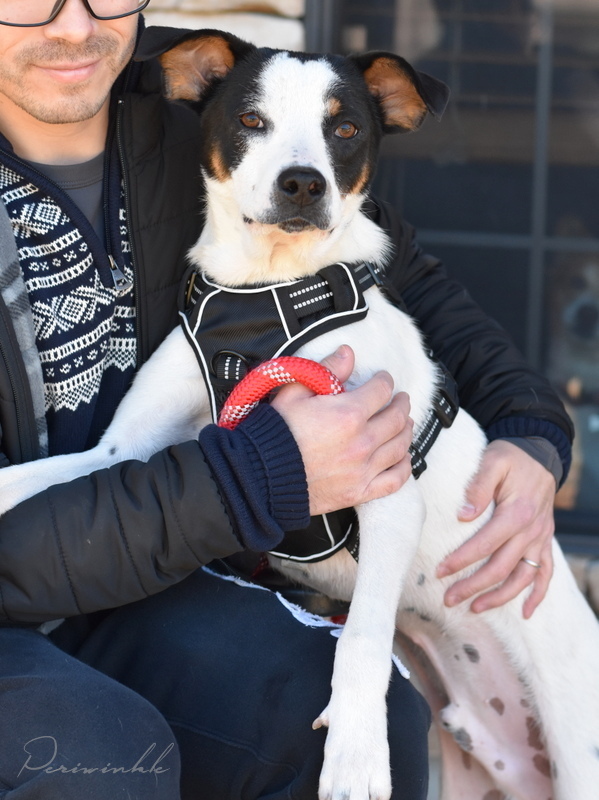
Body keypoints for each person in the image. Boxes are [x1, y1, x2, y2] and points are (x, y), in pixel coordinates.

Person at [0, 1, 572, 798]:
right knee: (97, 755)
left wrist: (530, 433)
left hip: (152, 575)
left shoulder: (206, 97)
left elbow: (411, 281)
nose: (72, 25)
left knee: (342, 709)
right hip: (26, 579)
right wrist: (256, 477)